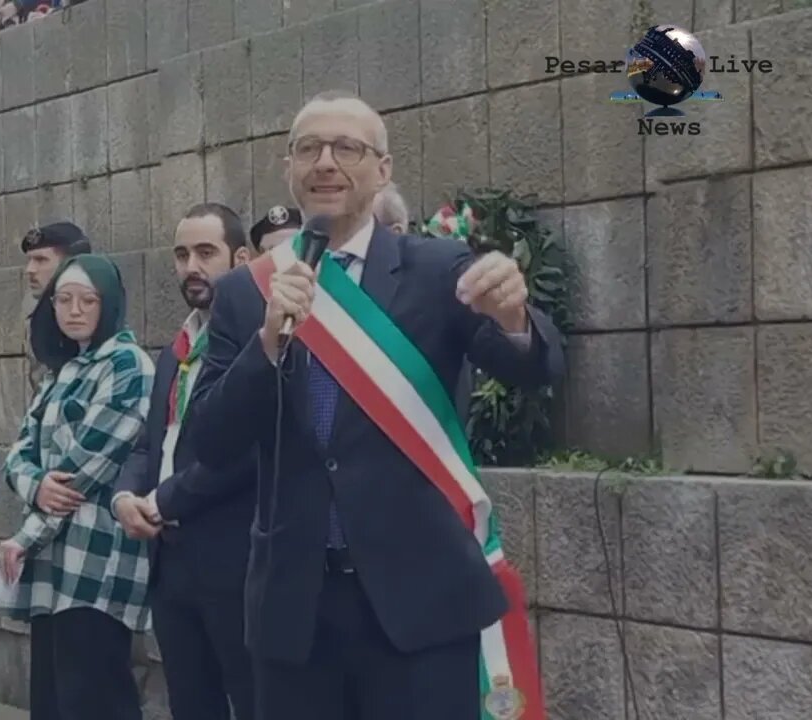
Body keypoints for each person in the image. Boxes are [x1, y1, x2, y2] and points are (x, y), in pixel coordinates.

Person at [187, 91, 565, 720]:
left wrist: (516, 316)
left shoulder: (438, 270)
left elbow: (534, 368)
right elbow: (209, 440)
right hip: (294, 610)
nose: (326, 162)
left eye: (347, 148)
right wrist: (268, 343)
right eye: (309, 149)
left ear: (383, 170)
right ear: (289, 168)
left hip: (420, 603)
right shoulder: (243, 295)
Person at [0, 254, 153, 720]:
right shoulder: (62, 371)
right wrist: (35, 484)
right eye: (63, 300)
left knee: (96, 698)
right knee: (52, 700)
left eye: (88, 300)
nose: (74, 310)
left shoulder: (127, 365)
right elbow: (18, 454)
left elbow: (84, 470)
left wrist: (26, 534)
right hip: (53, 568)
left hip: (98, 563)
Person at [113, 204, 257, 720]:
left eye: (206, 252)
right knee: (192, 704)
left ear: (241, 259)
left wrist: (163, 499)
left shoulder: (256, 343)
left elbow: (245, 454)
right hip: (170, 561)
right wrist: (125, 496)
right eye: (181, 255)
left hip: (234, 559)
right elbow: (153, 443)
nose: (191, 266)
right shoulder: (177, 350)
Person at [20, 222, 91, 392]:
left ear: (70, 263)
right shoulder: (39, 320)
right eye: (30, 260)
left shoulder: (92, 318)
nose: (30, 270)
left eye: (41, 260)